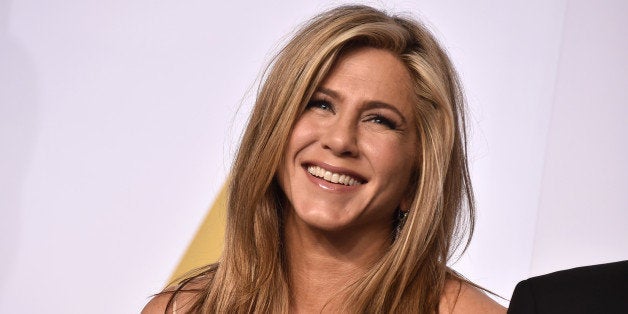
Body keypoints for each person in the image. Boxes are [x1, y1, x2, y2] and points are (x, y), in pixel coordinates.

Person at [143, 4, 505, 313]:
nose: (340, 139)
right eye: (320, 104)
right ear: (274, 131)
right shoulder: (182, 309)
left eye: (379, 120)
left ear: (418, 174)